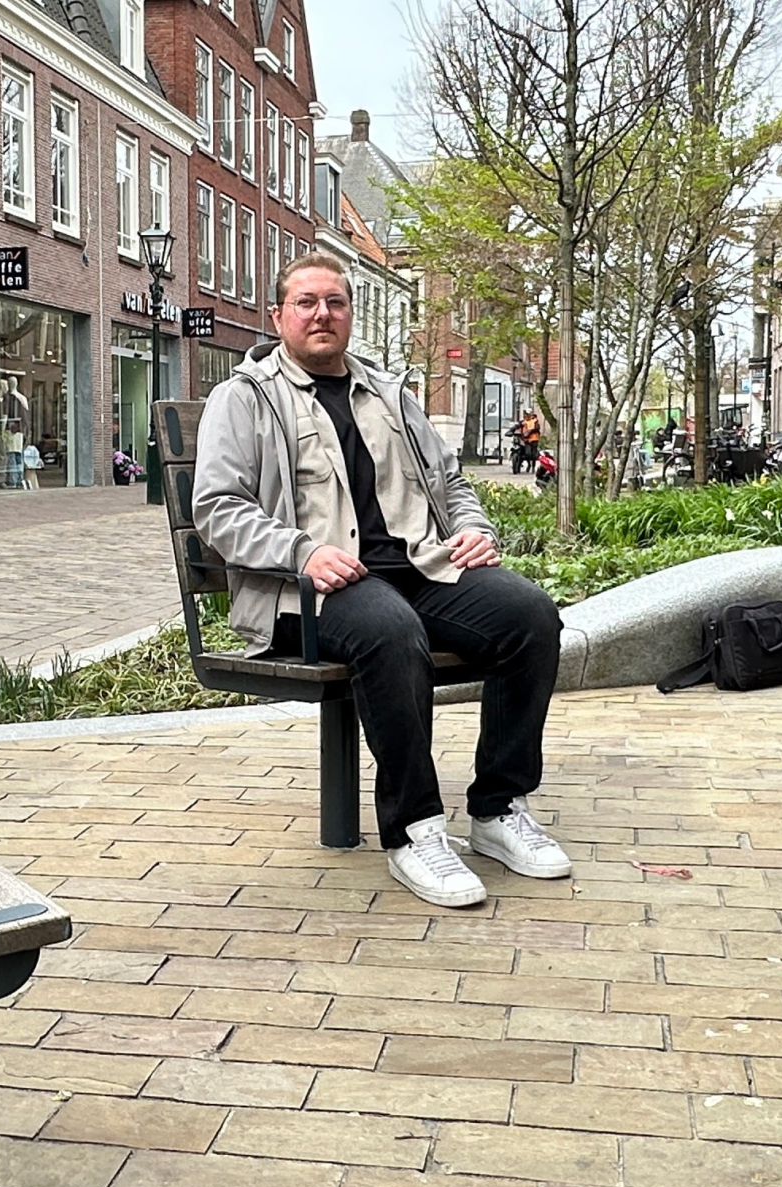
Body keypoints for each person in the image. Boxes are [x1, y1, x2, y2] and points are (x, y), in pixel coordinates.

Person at [195, 252, 570, 908]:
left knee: (530, 615)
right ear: (279, 316)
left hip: (420, 567)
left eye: (334, 302)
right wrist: (301, 552)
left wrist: (474, 529)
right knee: (390, 631)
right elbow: (218, 508)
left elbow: (451, 483)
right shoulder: (246, 398)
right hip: (310, 590)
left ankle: (497, 808)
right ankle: (414, 830)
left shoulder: (390, 393)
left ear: (348, 314)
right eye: (306, 302)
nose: (322, 314)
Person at [513, 410, 542, 474]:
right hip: (526, 440)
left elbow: (537, 428)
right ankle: (528, 464)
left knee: (533, 455)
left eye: (527, 414)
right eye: (525, 414)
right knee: (527, 453)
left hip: (534, 439)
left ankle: (533, 468)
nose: (526, 415)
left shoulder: (535, 421)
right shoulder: (523, 422)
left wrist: (529, 432)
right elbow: (517, 427)